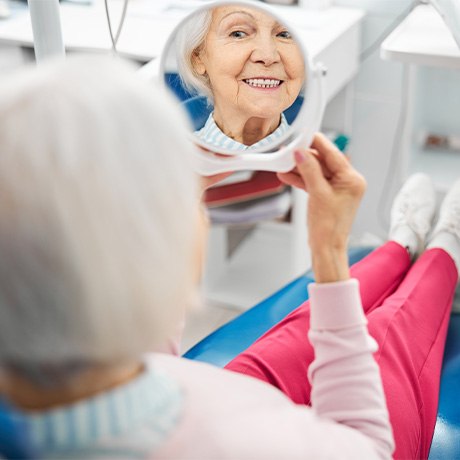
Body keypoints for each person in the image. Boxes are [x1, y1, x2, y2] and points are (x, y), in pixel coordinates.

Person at [0, 56, 459, 460]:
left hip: (197, 390)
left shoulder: (61, 382)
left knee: (304, 330)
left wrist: (197, 181)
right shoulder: (236, 447)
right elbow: (368, 449)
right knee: (391, 334)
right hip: (257, 423)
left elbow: (144, 356)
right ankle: (444, 250)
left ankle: (402, 245)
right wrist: (329, 254)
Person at [175, 4, 305, 150]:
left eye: (284, 34)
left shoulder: (315, 159)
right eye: (238, 34)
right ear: (198, 58)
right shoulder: (176, 161)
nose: (268, 56)